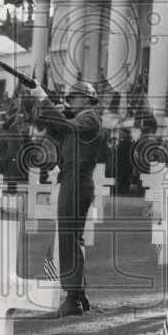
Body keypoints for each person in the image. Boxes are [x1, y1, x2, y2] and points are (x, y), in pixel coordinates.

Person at [31, 81, 102, 317]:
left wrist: (43, 97)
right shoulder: (78, 120)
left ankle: (73, 298)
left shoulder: (89, 118)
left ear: (88, 99)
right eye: (69, 98)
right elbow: (51, 126)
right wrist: (40, 102)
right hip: (72, 179)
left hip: (77, 180)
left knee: (69, 239)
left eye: (75, 97)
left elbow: (65, 126)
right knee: (72, 238)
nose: (70, 101)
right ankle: (79, 295)